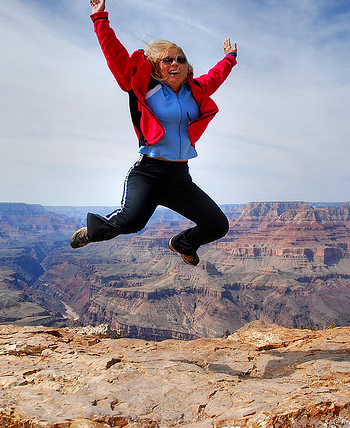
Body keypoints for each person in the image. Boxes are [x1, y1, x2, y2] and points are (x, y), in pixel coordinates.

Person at [70, 0, 238, 266]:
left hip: (180, 179)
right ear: (156, 66)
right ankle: (92, 231)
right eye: (167, 59)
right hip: (149, 173)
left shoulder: (196, 91)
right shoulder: (143, 87)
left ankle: (183, 243)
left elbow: (216, 75)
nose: (175, 63)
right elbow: (115, 55)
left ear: (187, 67)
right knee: (130, 222)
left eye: (181, 59)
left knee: (218, 225)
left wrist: (230, 58)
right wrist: (100, 18)